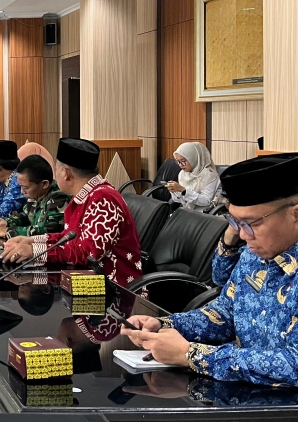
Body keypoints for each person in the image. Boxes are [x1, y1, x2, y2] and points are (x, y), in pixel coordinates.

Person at [120, 153, 298, 387]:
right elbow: (225, 314)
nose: (243, 235)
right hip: (241, 394)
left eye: (252, 224)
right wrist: (166, 326)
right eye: (236, 223)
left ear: (295, 214)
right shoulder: (254, 255)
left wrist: (192, 355)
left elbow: (294, 364)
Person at [1, 138, 142, 287]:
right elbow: (69, 238)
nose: (55, 175)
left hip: (117, 291)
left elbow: (87, 254)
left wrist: (35, 251)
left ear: (66, 173)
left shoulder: (103, 199)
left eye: (56, 170)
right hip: (86, 284)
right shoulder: (84, 196)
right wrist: (33, 241)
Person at [0, 154, 69, 238]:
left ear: (44, 184)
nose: (22, 191)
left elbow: (48, 232)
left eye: (26, 187)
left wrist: (5, 231)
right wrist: (6, 222)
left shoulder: (59, 198)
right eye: (21, 186)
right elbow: (25, 216)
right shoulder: (36, 195)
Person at [167, 142, 221, 211]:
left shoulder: (209, 175)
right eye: (178, 161)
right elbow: (179, 200)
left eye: (183, 161)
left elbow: (206, 201)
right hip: (186, 211)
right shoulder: (182, 174)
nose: (180, 165)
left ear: (194, 158)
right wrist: (175, 191)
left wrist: (184, 191)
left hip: (203, 213)